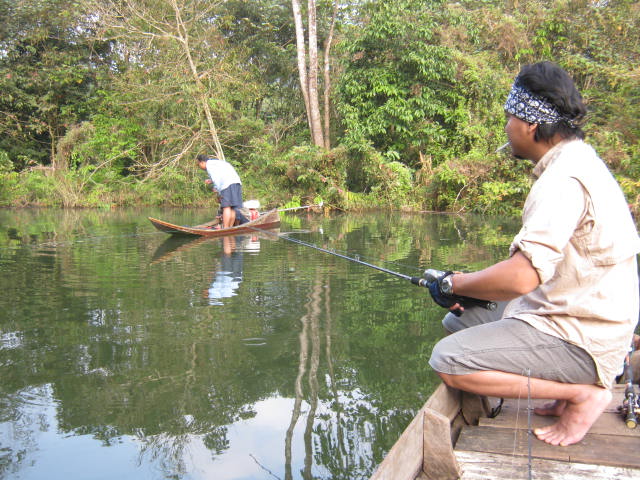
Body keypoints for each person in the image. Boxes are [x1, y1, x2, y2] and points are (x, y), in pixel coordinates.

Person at [427, 61, 640, 447]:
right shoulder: (580, 161)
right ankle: (564, 388)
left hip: (584, 339)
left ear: (529, 124)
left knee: (447, 359)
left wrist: (453, 282)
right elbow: (538, 273)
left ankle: (582, 394)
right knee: (461, 321)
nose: (506, 128)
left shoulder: (562, 180)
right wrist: (471, 292)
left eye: (509, 118)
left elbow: (522, 277)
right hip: (583, 319)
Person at [196, 154, 248, 228]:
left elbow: (216, 178)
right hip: (236, 183)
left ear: (202, 162)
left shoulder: (210, 166)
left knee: (226, 207)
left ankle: (225, 228)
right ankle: (229, 228)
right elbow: (222, 174)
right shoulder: (216, 163)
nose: (199, 167)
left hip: (227, 184)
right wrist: (211, 181)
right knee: (232, 207)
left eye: (199, 165)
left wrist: (217, 189)